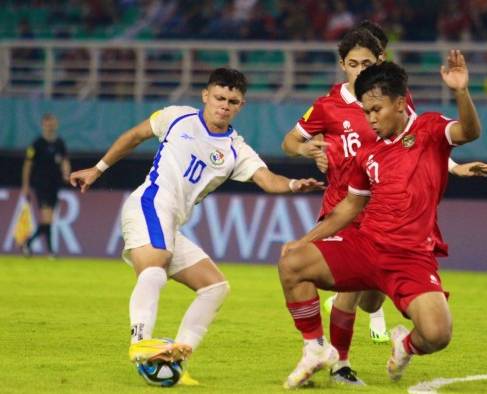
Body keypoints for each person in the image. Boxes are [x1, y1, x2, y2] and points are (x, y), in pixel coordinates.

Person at [69, 68, 324, 386]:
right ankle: (141, 343)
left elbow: (268, 180)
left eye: (233, 101)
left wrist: (296, 183)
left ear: (241, 105)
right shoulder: (176, 117)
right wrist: (98, 169)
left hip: (170, 223)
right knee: (155, 265)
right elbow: (134, 136)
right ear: (206, 96)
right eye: (219, 97)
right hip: (149, 204)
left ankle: (176, 357)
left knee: (215, 287)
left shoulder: (235, 149)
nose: (224, 105)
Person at [280, 26, 487, 385]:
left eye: (376, 110)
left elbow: (468, 133)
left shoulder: (428, 129)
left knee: (436, 334)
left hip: (410, 256)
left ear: (398, 103)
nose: (370, 118)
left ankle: (405, 345)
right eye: (365, 111)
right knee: (292, 261)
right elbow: (349, 207)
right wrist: (304, 241)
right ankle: (323, 353)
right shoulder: (367, 151)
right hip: (366, 244)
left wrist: (461, 92)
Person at [21, 113, 71, 258]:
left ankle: (34, 246)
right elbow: (27, 165)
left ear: (56, 124)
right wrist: (25, 185)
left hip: (55, 185)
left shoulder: (59, 143)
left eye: (52, 123)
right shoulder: (37, 143)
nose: (49, 126)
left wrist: (66, 173)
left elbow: (65, 161)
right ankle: (46, 250)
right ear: (43, 125)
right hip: (41, 184)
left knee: (48, 220)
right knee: (47, 217)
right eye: (47, 124)